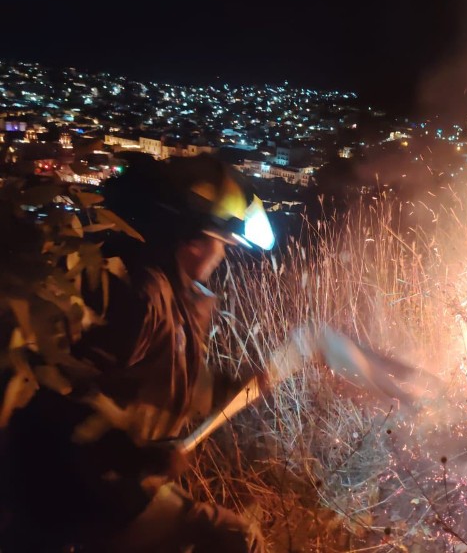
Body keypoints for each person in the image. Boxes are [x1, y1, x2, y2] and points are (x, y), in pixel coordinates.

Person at [1, 154, 276, 552]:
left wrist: (233, 388)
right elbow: (65, 395)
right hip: (84, 499)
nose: (222, 256)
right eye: (221, 244)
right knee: (233, 539)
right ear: (193, 241)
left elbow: (161, 381)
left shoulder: (178, 299)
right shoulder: (142, 299)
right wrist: (137, 454)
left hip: (119, 489)